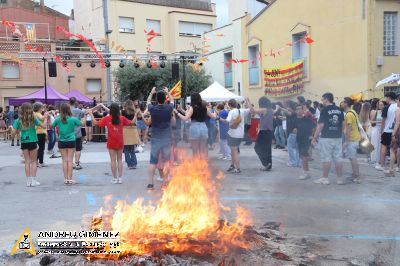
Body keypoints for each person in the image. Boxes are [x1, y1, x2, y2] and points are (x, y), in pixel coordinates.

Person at [90, 103, 135, 184]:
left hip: (111, 142)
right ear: (118, 110)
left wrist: (90, 114)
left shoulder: (107, 118)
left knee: (113, 160)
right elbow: (132, 123)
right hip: (120, 141)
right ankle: (120, 178)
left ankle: (114, 178)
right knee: (120, 160)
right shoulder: (122, 118)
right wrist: (137, 115)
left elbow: (95, 123)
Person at [11, 103, 47, 187]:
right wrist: (45, 118)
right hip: (33, 141)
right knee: (34, 162)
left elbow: (13, 134)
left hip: (24, 141)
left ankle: (28, 181)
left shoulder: (18, 121)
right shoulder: (33, 119)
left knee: (27, 161)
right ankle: (33, 181)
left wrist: (14, 130)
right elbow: (44, 126)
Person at [312, 92, 345, 185]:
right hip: (337, 137)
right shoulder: (339, 110)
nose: (322, 101)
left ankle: (325, 178)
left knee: (326, 158)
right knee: (338, 158)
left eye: (322, 99)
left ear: (326, 99)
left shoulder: (324, 110)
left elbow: (320, 125)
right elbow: (342, 124)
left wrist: (315, 137)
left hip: (326, 137)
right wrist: (340, 134)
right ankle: (339, 179)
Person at [146, 87, 175, 190]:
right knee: (166, 161)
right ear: (165, 98)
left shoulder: (152, 109)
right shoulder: (169, 108)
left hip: (155, 138)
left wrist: (151, 92)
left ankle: (150, 184)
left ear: (157, 99)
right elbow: (172, 100)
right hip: (166, 138)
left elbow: (148, 101)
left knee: (153, 162)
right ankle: (165, 181)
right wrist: (168, 92)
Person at [51, 103, 86, 185]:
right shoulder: (73, 119)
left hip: (62, 141)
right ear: (68, 110)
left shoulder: (57, 119)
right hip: (71, 140)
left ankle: (65, 179)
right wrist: (84, 117)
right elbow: (83, 124)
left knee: (64, 161)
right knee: (70, 160)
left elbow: (51, 126)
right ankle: (70, 179)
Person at [175, 93, 216, 157]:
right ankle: (203, 165)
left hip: (194, 127)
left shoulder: (192, 108)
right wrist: (215, 112)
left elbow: (186, 118)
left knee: (195, 151)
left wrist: (177, 112)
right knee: (202, 151)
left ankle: (196, 166)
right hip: (203, 127)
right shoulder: (204, 108)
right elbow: (213, 117)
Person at [222, 99, 250, 174]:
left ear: (230, 105)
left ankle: (238, 168)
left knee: (235, 152)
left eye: (228, 104)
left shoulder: (231, 111)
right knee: (233, 151)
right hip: (240, 134)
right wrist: (247, 101)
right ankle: (232, 165)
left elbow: (227, 120)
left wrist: (221, 119)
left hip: (233, 134)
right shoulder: (241, 111)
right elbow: (250, 109)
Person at [248, 96, 274, 171]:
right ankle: (269, 165)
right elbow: (262, 116)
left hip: (264, 132)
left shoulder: (264, 109)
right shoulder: (271, 110)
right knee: (267, 149)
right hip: (269, 131)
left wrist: (248, 101)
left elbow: (252, 111)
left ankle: (266, 164)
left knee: (257, 148)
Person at [342, 97, 362, 183]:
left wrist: (346, 141)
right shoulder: (353, 112)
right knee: (352, 158)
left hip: (352, 139)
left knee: (353, 158)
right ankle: (354, 175)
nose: (341, 103)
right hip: (355, 138)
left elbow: (349, 127)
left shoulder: (349, 114)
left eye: (343, 102)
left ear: (346, 104)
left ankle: (356, 177)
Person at [377, 92, 398, 171]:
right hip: (396, 130)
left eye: (386, 98)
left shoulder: (386, 107)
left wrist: (382, 131)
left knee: (384, 147)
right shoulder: (398, 106)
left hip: (387, 130)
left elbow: (383, 121)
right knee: (395, 148)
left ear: (389, 98)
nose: (385, 99)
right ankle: (396, 166)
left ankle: (382, 165)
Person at [295, 104, 315, 180]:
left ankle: (306, 173)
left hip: (306, 140)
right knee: (301, 156)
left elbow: (313, 127)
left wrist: (312, 136)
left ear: (303, 110)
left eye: (300, 109)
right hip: (299, 139)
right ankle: (305, 171)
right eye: (297, 109)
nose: (298, 110)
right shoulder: (295, 120)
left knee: (304, 156)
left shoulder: (307, 119)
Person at [385, 95, 400, 177]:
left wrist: (393, 134)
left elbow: (397, 123)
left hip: (398, 132)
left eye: (397, 100)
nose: (396, 102)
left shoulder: (398, 110)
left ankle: (391, 170)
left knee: (392, 150)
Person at [121, 100, 138, 169]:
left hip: (125, 130)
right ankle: (134, 163)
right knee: (132, 149)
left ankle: (129, 164)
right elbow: (134, 121)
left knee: (126, 149)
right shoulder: (134, 112)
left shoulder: (123, 112)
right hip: (133, 130)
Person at [69, 97, 85, 170]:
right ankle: (77, 163)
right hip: (78, 132)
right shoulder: (79, 111)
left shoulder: (67, 110)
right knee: (78, 149)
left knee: (70, 149)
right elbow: (83, 117)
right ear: (75, 102)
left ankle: (71, 163)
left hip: (68, 133)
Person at [284, 101, 301, 167]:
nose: (287, 108)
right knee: (297, 148)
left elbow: (287, 112)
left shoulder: (293, 113)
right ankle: (298, 163)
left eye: (288, 107)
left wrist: (280, 108)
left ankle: (293, 162)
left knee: (290, 147)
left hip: (293, 133)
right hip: (296, 132)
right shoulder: (295, 114)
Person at [370, 99, 384, 167]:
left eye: (381, 104)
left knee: (380, 145)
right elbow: (371, 121)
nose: (380, 105)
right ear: (377, 104)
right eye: (379, 104)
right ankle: (374, 159)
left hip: (382, 130)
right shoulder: (374, 111)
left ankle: (379, 159)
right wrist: (379, 122)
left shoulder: (383, 112)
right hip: (376, 129)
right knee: (375, 144)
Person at [33, 103, 47, 168]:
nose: (42, 109)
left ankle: (37, 162)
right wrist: (46, 115)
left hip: (36, 132)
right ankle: (40, 162)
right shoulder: (38, 114)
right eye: (42, 108)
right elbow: (42, 119)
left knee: (38, 148)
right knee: (41, 148)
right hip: (40, 132)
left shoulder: (33, 113)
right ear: (39, 108)